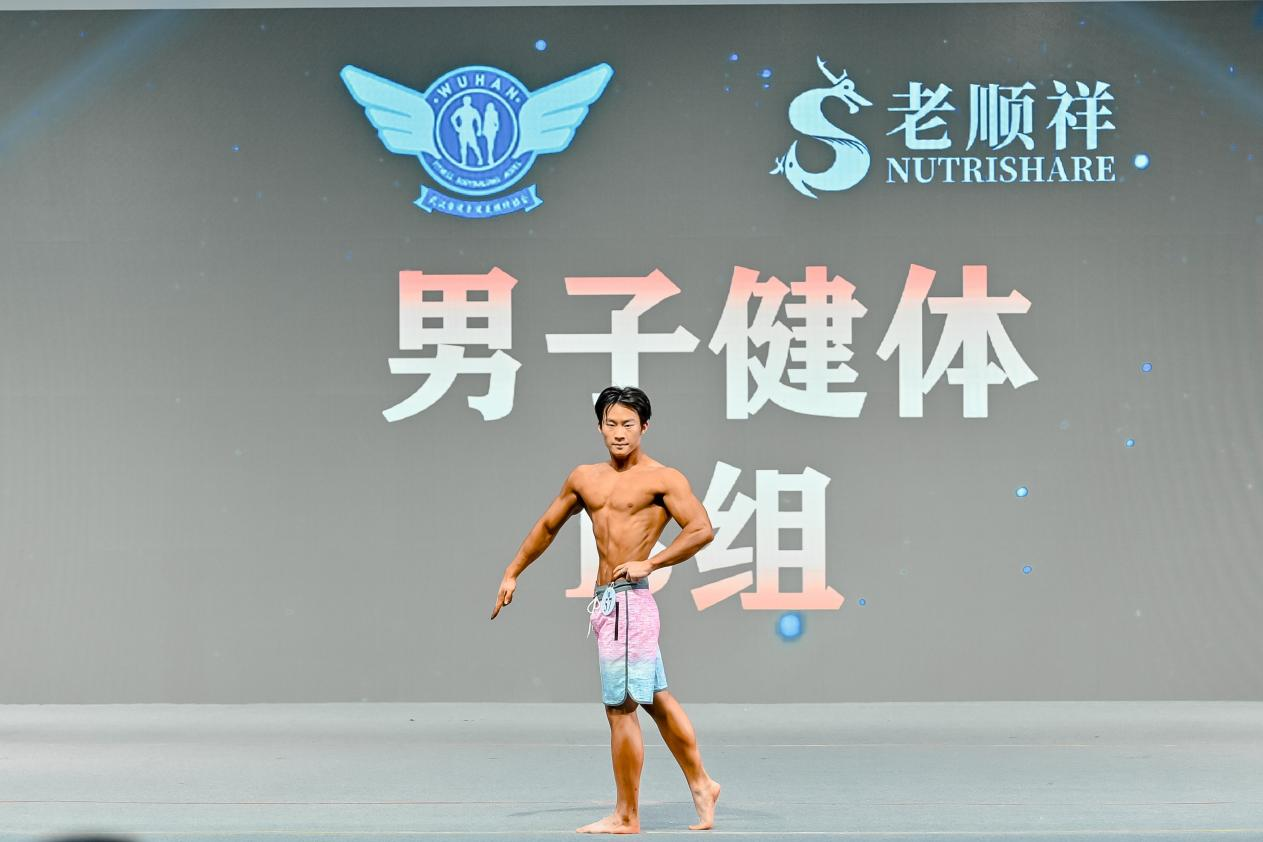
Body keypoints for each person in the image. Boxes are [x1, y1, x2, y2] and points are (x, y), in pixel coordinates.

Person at [491, 386, 722, 834]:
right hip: (607, 604)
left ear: (644, 427)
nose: (619, 433)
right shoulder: (585, 478)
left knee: (620, 708)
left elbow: (701, 529)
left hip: (630, 603)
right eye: (611, 424)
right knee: (655, 699)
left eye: (628, 424)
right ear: (599, 426)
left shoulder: (663, 479)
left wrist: (651, 562)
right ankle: (702, 784)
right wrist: (512, 571)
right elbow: (548, 526)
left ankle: (627, 815)